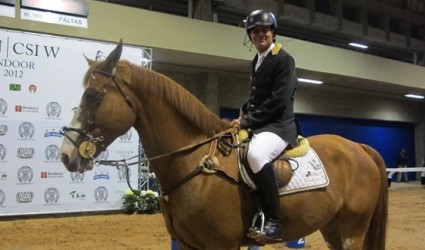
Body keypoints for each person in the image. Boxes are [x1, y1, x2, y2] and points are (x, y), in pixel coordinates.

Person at [231, 10, 298, 240]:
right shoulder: (257, 60)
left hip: (279, 126)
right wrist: (245, 108)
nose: (260, 34)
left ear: (273, 32)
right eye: (255, 31)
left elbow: (278, 101)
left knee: (256, 155)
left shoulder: (284, 60)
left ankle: (274, 221)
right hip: (261, 123)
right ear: (250, 35)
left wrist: (247, 120)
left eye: (264, 30)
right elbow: (259, 95)